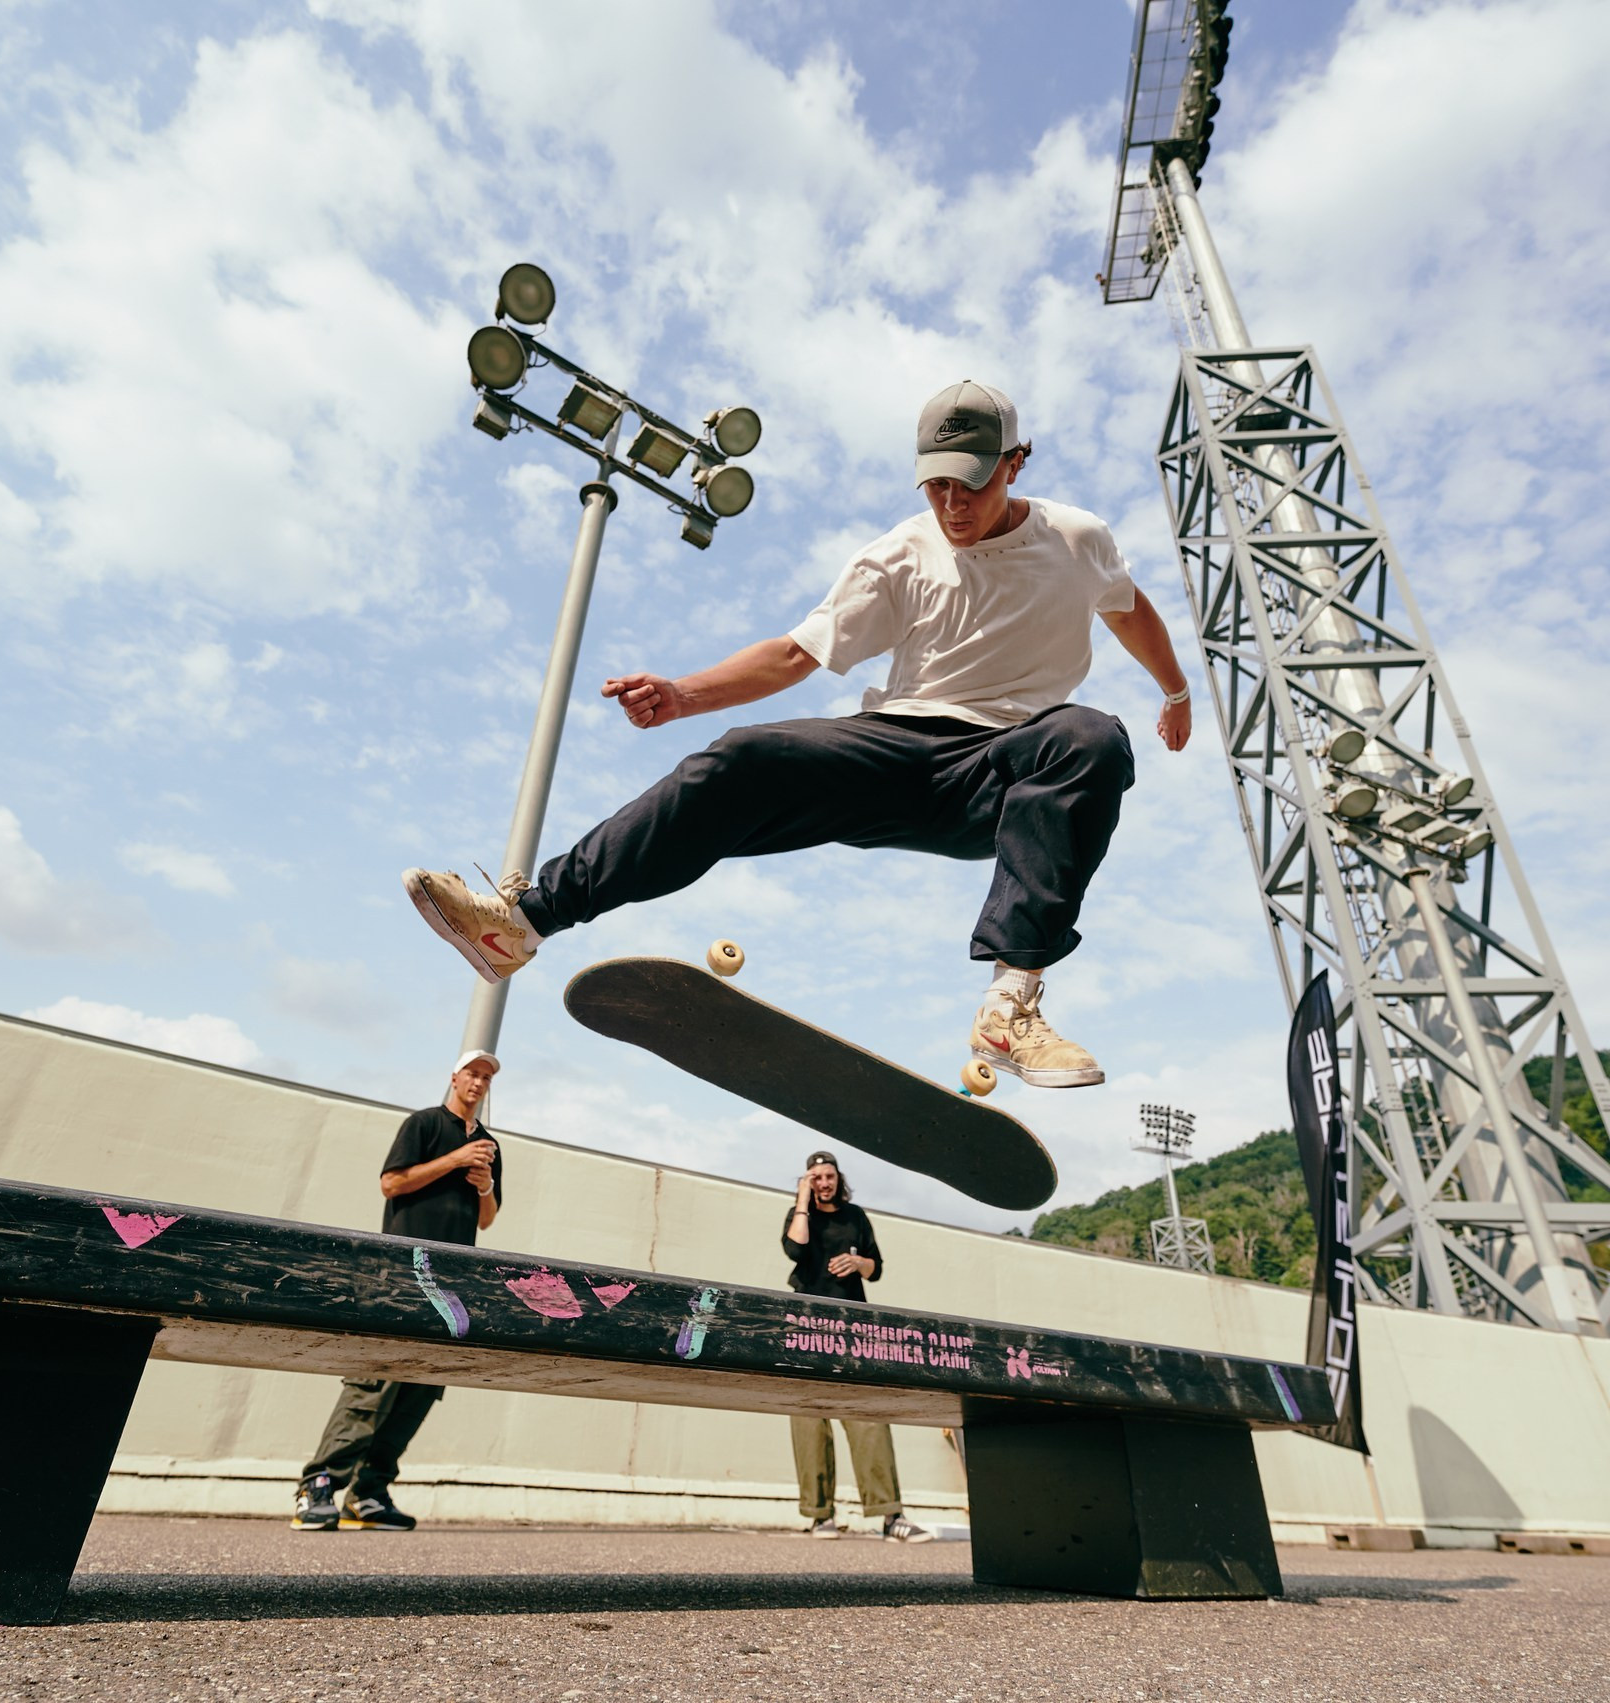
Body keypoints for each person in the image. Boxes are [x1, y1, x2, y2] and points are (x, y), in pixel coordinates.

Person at [402, 379, 1192, 1087]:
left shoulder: (1077, 538)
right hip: (896, 753)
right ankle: (524, 921)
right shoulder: (897, 557)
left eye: (973, 486)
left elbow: (1128, 609)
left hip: (1006, 771)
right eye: (937, 486)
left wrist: (1177, 688)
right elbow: (793, 655)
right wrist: (682, 694)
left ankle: (1010, 1006)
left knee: (1090, 735)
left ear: (1015, 463)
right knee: (746, 757)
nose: (953, 506)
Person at [291, 1049, 503, 1532]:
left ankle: (367, 1494)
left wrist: (485, 1183)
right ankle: (319, 1485)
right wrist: (454, 1160)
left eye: (487, 1076)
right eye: (472, 1072)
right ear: (454, 1076)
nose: (479, 1082)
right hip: (402, 1275)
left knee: (421, 1386)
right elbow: (391, 1184)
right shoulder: (424, 1124)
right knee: (374, 1378)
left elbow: (486, 1219)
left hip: (453, 1284)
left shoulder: (489, 1146)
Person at [782, 1150, 933, 1543]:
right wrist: (801, 1201)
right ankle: (819, 1516)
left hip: (852, 1326)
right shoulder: (801, 1216)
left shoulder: (856, 1216)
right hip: (806, 1323)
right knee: (809, 1419)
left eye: (829, 1175)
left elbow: (876, 1268)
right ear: (806, 1182)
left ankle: (890, 1517)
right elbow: (795, 1250)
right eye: (814, 1176)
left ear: (838, 1178)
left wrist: (857, 1263)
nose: (823, 1182)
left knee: (868, 1415)